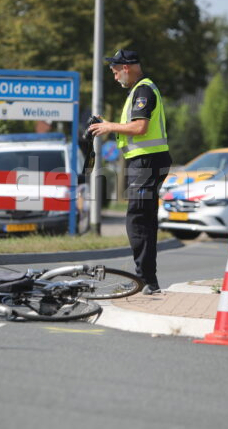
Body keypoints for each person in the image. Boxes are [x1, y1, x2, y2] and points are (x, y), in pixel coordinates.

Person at [88, 49, 171, 295]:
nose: (115, 78)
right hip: (145, 162)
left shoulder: (143, 90)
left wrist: (109, 126)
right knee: (142, 220)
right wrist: (108, 125)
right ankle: (146, 279)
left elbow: (140, 127)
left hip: (146, 162)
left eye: (115, 72)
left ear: (126, 67)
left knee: (138, 221)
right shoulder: (139, 90)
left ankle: (145, 281)